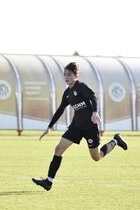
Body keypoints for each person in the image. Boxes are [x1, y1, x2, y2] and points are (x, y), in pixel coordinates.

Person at [32, 62, 128, 191]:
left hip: (89, 127)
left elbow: (93, 98)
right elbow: (60, 109)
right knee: (58, 149)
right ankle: (48, 182)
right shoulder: (67, 93)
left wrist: (94, 112)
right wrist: (49, 126)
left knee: (96, 157)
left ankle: (116, 140)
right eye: (65, 75)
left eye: (69, 74)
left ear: (76, 75)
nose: (66, 77)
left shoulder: (81, 87)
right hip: (76, 126)